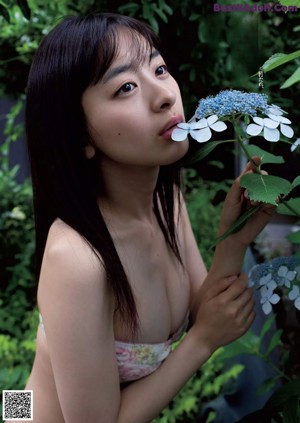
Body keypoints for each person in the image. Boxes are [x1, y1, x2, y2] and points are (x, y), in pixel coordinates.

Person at [8, 12, 274, 423]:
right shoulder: (76, 258)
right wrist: (201, 342)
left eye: (159, 68)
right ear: (80, 136)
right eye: (126, 87)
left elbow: (205, 310)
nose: (164, 95)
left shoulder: (165, 198)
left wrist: (233, 237)